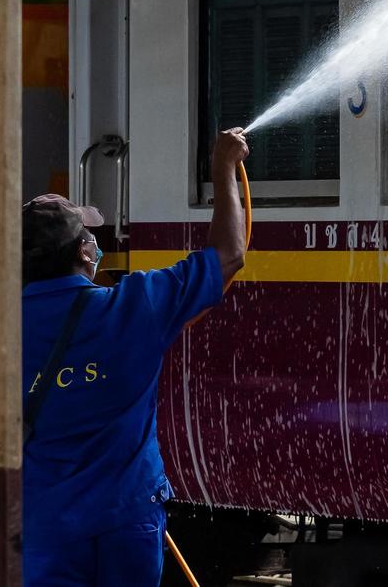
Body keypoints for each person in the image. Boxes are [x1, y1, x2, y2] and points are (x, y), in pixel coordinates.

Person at [19, 128, 250, 586]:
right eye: (91, 234)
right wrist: (223, 165)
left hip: (44, 528)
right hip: (128, 521)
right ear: (86, 252)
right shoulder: (134, 306)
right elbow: (229, 255)